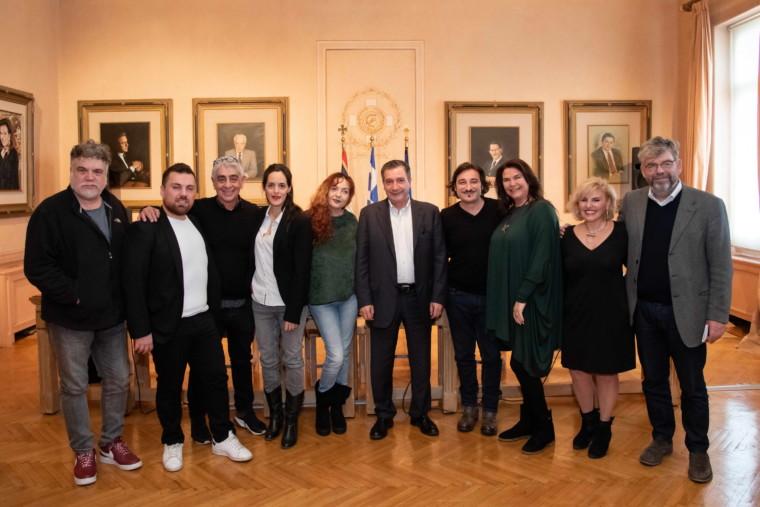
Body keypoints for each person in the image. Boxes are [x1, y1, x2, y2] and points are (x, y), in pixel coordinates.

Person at [24, 140, 142, 486]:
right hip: (70, 319)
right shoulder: (50, 212)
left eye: (97, 171)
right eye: (83, 170)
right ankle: (83, 451)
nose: (89, 177)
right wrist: (74, 296)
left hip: (111, 318)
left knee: (119, 379)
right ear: (72, 171)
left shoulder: (115, 208)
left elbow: (125, 257)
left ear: (105, 176)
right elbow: (37, 266)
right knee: (74, 386)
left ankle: (111, 442)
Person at [123, 163, 252, 472]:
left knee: (216, 380)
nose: (183, 194)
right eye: (176, 187)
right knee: (169, 385)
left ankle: (222, 436)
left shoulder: (197, 221)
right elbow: (133, 283)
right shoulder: (147, 227)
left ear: (196, 192)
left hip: (204, 320)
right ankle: (172, 440)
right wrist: (140, 330)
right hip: (169, 325)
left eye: (189, 188)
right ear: (162, 190)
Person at [620, 136, 732, 483]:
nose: (660, 171)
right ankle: (661, 438)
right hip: (644, 312)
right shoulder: (631, 203)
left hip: (689, 314)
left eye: (666, 163)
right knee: (653, 381)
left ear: (679, 164)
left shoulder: (709, 206)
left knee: (692, 385)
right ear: (642, 170)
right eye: (651, 165)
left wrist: (718, 315)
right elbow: (618, 245)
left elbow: (721, 265)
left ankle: (698, 450)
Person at [356, 159, 447, 440]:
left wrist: (437, 296)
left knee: (421, 361)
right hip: (382, 299)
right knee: (380, 362)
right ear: (383, 184)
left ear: (409, 181)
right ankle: (383, 415)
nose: (395, 186)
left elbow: (439, 258)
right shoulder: (369, 214)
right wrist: (365, 299)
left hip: (419, 298)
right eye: (389, 181)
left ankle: (420, 413)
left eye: (400, 180)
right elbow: (361, 261)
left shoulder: (429, 212)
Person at [486, 158, 562, 455]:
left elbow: (542, 257)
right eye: (506, 180)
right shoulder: (510, 213)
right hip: (512, 298)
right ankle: (529, 420)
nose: (512, 183)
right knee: (519, 361)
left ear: (528, 179)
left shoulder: (541, 210)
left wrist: (522, 297)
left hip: (531, 298)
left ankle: (544, 427)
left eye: (517, 177)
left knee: (525, 363)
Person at [561, 177, 635, 459]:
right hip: (575, 312)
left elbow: (637, 270)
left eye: (596, 199)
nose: (589, 205)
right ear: (577, 204)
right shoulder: (566, 236)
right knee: (578, 370)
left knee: (606, 371)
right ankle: (588, 422)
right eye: (584, 200)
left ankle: (604, 427)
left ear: (607, 204)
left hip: (612, 313)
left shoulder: (623, 233)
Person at [440, 162, 506, 436]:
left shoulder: (500, 210)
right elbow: (439, 257)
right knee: (464, 355)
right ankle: (469, 406)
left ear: (483, 184)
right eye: (462, 183)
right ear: (455, 188)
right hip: (458, 297)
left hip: (492, 298)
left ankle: (490, 409)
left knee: (491, 356)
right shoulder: (446, 216)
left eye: (473, 181)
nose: (468, 187)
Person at [250, 164, 312, 449]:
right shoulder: (257, 217)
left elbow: (303, 270)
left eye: (281, 185)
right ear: (264, 188)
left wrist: (293, 310)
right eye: (271, 185)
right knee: (268, 360)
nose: (276, 191)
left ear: (289, 188)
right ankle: (274, 415)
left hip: (288, 304)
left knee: (292, 359)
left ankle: (291, 419)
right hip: (260, 302)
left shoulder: (299, 220)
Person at [307, 172, 358, 436]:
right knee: (335, 354)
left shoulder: (352, 221)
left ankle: (336, 407)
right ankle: (323, 400)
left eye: (345, 191)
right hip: (320, 299)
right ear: (325, 190)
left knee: (345, 354)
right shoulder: (309, 220)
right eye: (335, 189)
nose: (339, 194)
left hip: (348, 297)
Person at [0, 118, 19, 190]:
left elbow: (14, 181)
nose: (2, 137)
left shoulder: (13, 154)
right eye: (0, 133)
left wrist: (2, 159)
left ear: (10, 135)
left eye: (5, 133)